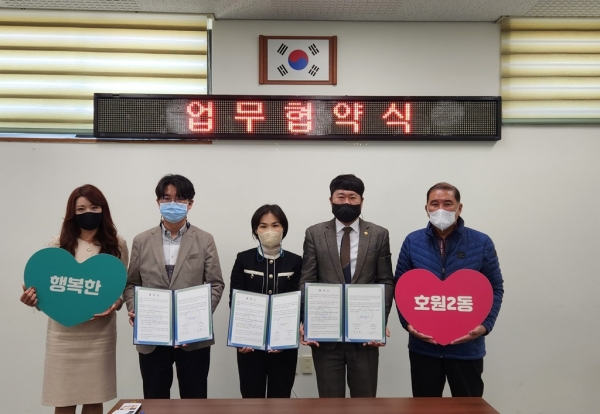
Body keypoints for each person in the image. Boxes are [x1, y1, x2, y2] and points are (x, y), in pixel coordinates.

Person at [20, 184, 129, 414]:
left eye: (94, 207)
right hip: (63, 336)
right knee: (64, 400)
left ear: (103, 209)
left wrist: (116, 304)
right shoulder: (58, 244)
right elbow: (47, 291)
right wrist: (33, 300)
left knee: (94, 399)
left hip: (99, 335)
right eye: (81, 209)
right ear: (72, 213)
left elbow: (119, 288)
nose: (88, 212)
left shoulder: (117, 243)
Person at [394, 182, 504, 397]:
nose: (441, 209)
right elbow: (400, 287)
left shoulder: (481, 242)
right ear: (426, 208)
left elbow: (495, 288)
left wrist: (485, 325)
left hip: (467, 348)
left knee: (468, 408)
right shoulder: (412, 241)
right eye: (434, 204)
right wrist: (407, 324)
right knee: (425, 408)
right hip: (424, 348)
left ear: (459, 208)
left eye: (447, 203)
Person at [123, 174, 224, 399]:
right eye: (166, 198)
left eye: (179, 199)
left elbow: (216, 284)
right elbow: (131, 284)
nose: (173, 204)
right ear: (158, 201)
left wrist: (199, 317)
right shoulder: (141, 240)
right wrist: (133, 306)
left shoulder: (204, 239)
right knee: (155, 399)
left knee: (194, 400)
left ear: (190, 203)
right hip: (152, 337)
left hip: (193, 338)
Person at [298, 174, 394, 398]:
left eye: (353, 197)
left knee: (365, 401)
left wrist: (380, 320)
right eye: (340, 197)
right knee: (330, 403)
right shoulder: (315, 233)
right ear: (331, 200)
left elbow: (385, 280)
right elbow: (307, 280)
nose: (347, 202)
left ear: (362, 201)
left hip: (365, 337)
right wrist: (306, 320)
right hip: (326, 338)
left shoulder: (379, 234)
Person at [229, 204, 302, 398]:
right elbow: (235, 300)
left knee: (281, 399)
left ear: (283, 228)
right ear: (256, 230)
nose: (270, 230)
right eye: (263, 226)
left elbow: (299, 302)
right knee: (251, 399)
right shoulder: (243, 259)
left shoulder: (296, 261)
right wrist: (241, 338)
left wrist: (287, 336)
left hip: (284, 346)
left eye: (275, 225)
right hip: (249, 346)